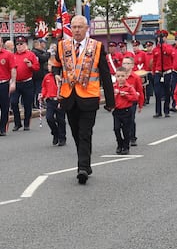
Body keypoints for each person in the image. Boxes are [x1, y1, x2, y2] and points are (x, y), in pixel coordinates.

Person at [51, 15, 114, 185]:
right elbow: (55, 66)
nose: (77, 30)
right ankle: (85, 161)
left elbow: (105, 74)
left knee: (85, 133)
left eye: (80, 27)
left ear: (87, 29)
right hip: (69, 97)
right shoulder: (62, 46)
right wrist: (56, 75)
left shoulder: (97, 47)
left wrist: (110, 100)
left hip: (89, 97)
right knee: (75, 132)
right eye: (74, 27)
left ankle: (83, 168)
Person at [10, 36, 39, 131]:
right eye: (17, 44)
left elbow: (37, 68)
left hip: (27, 82)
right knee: (13, 102)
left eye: (21, 44)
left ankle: (26, 123)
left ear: (25, 45)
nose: (19, 46)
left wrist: (30, 65)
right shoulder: (13, 56)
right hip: (16, 83)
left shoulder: (31, 55)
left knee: (27, 104)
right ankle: (17, 123)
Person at [111, 66, 138, 155]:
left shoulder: (129, 87)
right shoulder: (114, 87)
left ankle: (126, 146)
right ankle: (119, 144)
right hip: (117, 111)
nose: (120, 78)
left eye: (122, 76)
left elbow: (134, 97)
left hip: (126, 110)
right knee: (116, 129)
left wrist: (125, 95)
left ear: (126, 76)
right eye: (118, 76)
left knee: (126, 130)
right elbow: (110, 99)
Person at [41, 59, 66, 146]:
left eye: (51, 65)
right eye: (48, 65)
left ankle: (62, 137)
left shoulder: (61, 77)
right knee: (49, 118)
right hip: (50, 100)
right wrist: (42, 95)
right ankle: (55, 133)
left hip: (59, 100)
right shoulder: (47, 77)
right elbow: (44, 87)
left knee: (61, 120)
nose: (49, 67)